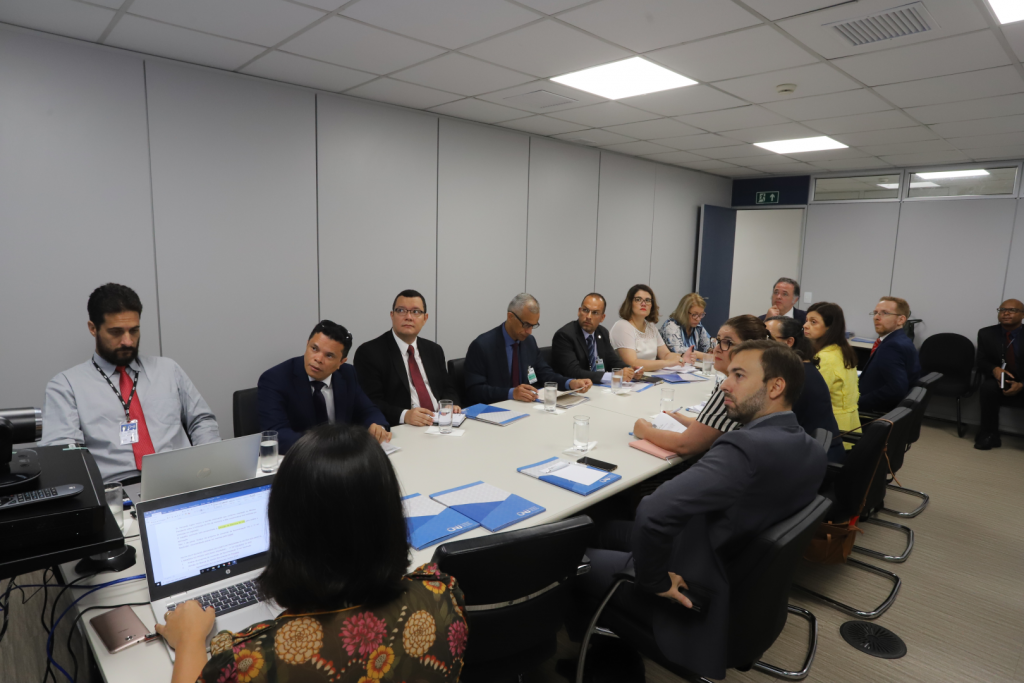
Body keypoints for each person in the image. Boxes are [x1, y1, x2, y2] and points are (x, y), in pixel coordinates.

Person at [575, 341, 826, 680]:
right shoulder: (812, 448)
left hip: (694, 582)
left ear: (776, 386)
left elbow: (653, 511)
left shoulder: (744, 447)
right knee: (600, 529)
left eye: (739, 375)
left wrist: (654, 580)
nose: (725, 383)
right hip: (731, 573)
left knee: (565, 559)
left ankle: (600, 660)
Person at [156, 423, 468, 683]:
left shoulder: (252, 661)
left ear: (285, 531)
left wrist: (189, 641)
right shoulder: (443, 594)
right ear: (388, 515)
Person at [41, 283, 220, 483]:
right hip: (117, 489)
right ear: (93, 328)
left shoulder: (168, 370)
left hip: (182, 479)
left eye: (134, 331)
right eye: (116, 332)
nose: (128, 341)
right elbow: (63, 454)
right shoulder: (66, 386)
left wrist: (210, 465)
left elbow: (202, 420)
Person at [632, 315, 767, 457]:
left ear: (749, 349)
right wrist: (684, 420)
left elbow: (685, 444)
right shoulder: (756, 380)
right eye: (718, 341)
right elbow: (716, 425)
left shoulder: (733, 388)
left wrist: (645, 431)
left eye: (727, 342)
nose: (718, 349)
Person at [258, 320, 389, 454]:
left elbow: (368, 410)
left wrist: (377, 426)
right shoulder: (275, 379)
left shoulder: (347, 374)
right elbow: (277, 434)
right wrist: (331, 444)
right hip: (300, 460)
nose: (318, 359)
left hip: (341, 461)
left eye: (329, 355)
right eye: (314, 349)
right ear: (307, 344)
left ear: (341, 362)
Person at [355, 290, 461, 427]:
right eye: (401, 310)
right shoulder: (370, 352)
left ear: (425, 318)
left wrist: (449, 405)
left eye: (416, 312)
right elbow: (370, 402)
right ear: (392, 315)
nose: (409, 317)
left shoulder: (434, 350)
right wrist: (404, 415)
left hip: (441, 424)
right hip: (404, 427)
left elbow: (448, 388)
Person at [464, 293, 592, 404]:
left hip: (526, 409)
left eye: (533, 325)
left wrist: (570, 383)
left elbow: (544, 374)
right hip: (495, 412)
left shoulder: (529, 342)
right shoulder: (482, 346)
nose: (529, 331)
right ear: (510, 317)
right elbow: (474, 390)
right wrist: (511, 393)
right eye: (526, 325)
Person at [766, 316, 846, 463]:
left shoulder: (793, 376)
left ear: (789, 342)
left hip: (814, 462)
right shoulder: (801, 367)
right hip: (815, 452)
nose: (761, 343)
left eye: (767, 337)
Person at [804, 302, 860, 446]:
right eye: (806, 320)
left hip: (831, 433)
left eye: (813, 322)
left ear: (829, 327)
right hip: (851, 426)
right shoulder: (842, 350)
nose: (805, 325)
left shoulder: (825, 358)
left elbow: (811, 398)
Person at [551, 293, 637, 385]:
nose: (588, 316)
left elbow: (613, 360)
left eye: (595, 313)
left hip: (599, 388)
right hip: (576, 390)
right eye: (585, 310)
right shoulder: (564, 335)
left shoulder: (602, 332)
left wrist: (629, 371)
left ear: (602, 318)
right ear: (579, 311)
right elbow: (573, 372)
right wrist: (612, 376)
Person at [975, 299, 1024, 450]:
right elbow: (981, 361)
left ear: (1022, 314)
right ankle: (989, 435)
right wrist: (994, 369)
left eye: (1012, 310)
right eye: (1002, 310)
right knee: (987, 388)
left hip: (1023, 379)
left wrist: (1022, 384)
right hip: (999, 378)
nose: (1006, 313)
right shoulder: (986, 333)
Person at [859, 297, 921, 414]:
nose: (876, 317)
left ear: (901, 320)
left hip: (874, 413)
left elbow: (896, 389)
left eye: (884, 313)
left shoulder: (892, 346)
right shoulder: (901, 340)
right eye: (875, 312)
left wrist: (858, 403)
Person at [610, 285, 690, 373]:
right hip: (630, 380)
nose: (643, 303)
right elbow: (632, 363)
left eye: (647, 300)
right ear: (630, 303)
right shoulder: (622, 326)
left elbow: (665, 354)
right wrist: (666, 363)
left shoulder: (651, 327)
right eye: (638, 299)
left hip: (651, 377)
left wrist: (682, 357)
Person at [660, 292, 712, 361]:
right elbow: (680, 351)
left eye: (701, 314)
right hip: (670, 367)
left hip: (688, 367)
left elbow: (709, 345)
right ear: (683, 312)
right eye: (694, 314)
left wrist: (712, 350)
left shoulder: (698, 326)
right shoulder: (670, 326)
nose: (698, 319)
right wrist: (706, 356)